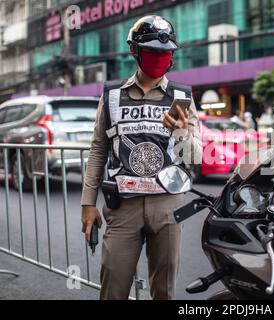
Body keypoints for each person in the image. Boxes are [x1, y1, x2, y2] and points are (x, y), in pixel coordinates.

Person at [80, 15, 202, 300]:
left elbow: (195, 155)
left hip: (168, 206)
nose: (159, 57)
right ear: (135, 51)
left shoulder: (181, 96)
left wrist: (183, 132)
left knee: (164, 291)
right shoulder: (111, 95)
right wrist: (88, 203)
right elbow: (99, 148)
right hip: (123, 207)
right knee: (113, 287)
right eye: (151, 51)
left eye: (165, 52)